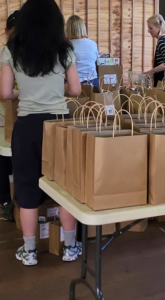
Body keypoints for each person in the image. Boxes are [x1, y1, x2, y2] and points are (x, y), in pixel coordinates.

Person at [1, 0, 82, 266]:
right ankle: (70, 247)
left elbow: (4, 93)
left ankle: (30, 252)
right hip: (60, 123)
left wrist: (23, 93)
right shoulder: (64, 49)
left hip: (27, 126)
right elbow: (76, 90)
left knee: (26, 188)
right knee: (65, 188)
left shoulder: (12, 49)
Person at [0, 11, 20, 222]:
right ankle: (6, 201)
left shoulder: (29, 53)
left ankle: (16, 201)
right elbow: (3, 92)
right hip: (3, 116)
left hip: (23, 116)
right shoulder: (3, 54)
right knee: (4, 160)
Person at [144, 14, 165, 87]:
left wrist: (151, 71)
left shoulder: (162, 42)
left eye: (151, 28)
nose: (148, 31)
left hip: (164, 83)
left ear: (159, 27)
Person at [66, 15, 99, 87]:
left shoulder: (67, 45)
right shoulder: (93, 44)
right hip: (93, 81)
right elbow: (95, 60)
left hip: (74, 83)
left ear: (69, 29)